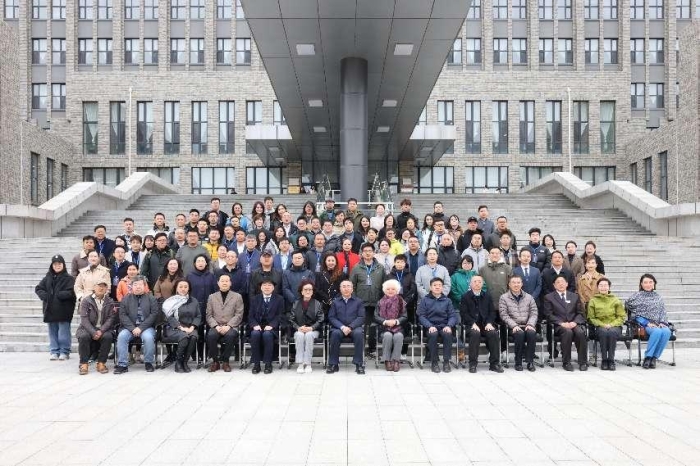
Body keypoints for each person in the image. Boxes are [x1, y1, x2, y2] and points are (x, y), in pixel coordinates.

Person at [114, 276, 160, 374]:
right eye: (135, 284)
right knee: (122, 336)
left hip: (146, 327)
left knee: (148, 337)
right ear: (131, 286)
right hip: (129, 328)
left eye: (140, 284)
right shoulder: (126, 298)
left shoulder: (151, 298)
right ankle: (122, 365)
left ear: (144, 286)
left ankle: (148, 362)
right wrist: (132, 328)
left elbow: (154, 315)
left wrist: (141, 328)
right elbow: (122, 315)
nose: (138, 287)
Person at [626, 273, 672, 369]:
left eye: (650, 282)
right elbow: (633, 313)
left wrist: (662, 322)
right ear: (641, 284)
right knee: (657, 331)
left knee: (667, 331)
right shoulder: (636, 296)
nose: (648, 284)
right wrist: (646, 322)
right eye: (645, 282)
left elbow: (662, 312)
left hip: (658, 323)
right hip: (642, 325)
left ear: (654, 283)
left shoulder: (658, 297)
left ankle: (654, 358)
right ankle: (648, 357)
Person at [36, 255, 77, 361]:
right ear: (52, 265)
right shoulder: (47, 278)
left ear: (63, 265)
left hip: (64, 310)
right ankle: (54, 351)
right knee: (52, 332)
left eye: (59, 264)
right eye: (55, 264)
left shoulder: (69, 279)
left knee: (63, 333)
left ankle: (64, 351)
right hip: (50, 310)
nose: (57, 266)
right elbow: (38, 288)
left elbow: (72, 292)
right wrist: (45, 296)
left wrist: (59, 295)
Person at [349, 243, 385, 358]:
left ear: (374, 253)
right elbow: (352, 285)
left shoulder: (380, 268)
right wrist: (355, 300)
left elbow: (384, 285)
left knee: (374, 326)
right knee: (362, 327)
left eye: (370, 251)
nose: (368, 253)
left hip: (376, 302)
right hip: (361, 303)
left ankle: (372, 349)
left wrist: (382, 301)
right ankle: (361, 349)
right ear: (361, 253)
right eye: (365, 251)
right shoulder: (356, 267)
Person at [543, 276, 587, 371]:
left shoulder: (574, 296)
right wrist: (561, 323)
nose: (561, 284)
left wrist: (575, 322)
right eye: (558, 282)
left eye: (563, 282)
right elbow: (548, 314)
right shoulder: (549, 297)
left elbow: (580, 313)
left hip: (573, 323)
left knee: (580, 332)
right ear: (554, 285)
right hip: (559, 326)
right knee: (567, 332)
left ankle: (582, 362)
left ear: (567, 284)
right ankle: (566, 362)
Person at [461, 275, 503, 373]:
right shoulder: (465, 297)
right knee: (475, 334)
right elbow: (464, 313)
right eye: (475, 281)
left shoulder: (487, 296)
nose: (477, 283)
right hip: (471, 325)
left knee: (493, 333)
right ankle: (473, 364)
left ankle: (494, 364)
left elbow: (492, 312)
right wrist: (472, 323)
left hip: (485, 325)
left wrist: (489, 323)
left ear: (482, 283)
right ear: (471, 284)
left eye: (479, 282)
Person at [75, 279, 116, 374]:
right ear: (94, 287)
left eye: (104, 286)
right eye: (99, 286)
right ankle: (84, 363)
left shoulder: (110, 301)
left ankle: (101, 363)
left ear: (106, 288)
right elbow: (84, 319)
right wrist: (93, 332)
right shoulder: (86, 300)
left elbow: (111, 318)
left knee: (107, 336)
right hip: (87, 328)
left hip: (103, 329)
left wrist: (101, 331)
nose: (101, 288)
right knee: (84, 336)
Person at [499, 275, 538, 372]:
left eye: (518, 282)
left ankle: (530, 362)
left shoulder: (529, 297)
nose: (516, 285)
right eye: (513, 283)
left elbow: (534, 313)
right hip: (512, 327)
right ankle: (518, 362)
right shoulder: (504, 298)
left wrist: (530, 324)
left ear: (522, 284)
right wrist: (514, 325)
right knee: (519, 334)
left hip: (527, 325)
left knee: (531, 333)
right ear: (509, 284)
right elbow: (504, 315)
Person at [417, 277, 457, 373]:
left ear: (442, 287)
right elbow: (421, 316)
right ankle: (434, 362)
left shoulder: (447, 300)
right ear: (430, 287)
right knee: (433, 334)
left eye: (439, 285)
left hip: (444, 326)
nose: (437, 287)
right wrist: (429, 326)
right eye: (435, 285)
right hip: (430, 326)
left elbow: (452, 315)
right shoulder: (425, 300)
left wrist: (449, 325)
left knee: (448, 334)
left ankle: (446, 362)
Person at [206, 274, 244, 372]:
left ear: (230, 283)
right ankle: (215, 362)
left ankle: (226, 361)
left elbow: (239, 314)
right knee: (211, 335)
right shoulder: (212, 297)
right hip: (216, 326)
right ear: (218, 283)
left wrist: (229, 326)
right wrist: (216, 326)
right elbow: (209, 315)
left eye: (227, 281)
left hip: (231, 326)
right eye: (222, 281)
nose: (224, 283)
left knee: (230, 336)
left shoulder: (237, 296)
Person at [326, 280, 366, 374]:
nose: (346, 288)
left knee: (359, 334)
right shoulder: (335, 302)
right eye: (343, 286)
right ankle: (333, 364)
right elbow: (331, 317)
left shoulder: (358, 302)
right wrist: (342, 327)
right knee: (335, 334)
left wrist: (351, 327)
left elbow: (361, 317)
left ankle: (359, 364)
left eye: (348, 286)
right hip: (339, 328)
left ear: (352, 289)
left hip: (354, 328)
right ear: (340, 289)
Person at [161, 279, 200, 373]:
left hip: (190, 327)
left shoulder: (193, 301)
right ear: (176, 288)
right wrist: (180, 327)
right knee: (184, 337)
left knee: (193, 336)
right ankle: (178, 362)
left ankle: (185, 362)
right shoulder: (171, 301)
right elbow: (169, 317)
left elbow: (198, 316)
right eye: (181, 287)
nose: (183, 289)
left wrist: (192, 327)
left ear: (189, 288)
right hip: (174, 328)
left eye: (185, 287)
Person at [587, 277, 625, 371]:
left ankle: (611, 360)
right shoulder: (593, 301)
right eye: (601, 285)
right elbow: (591, 318)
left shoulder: (615, 300)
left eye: (605, 285)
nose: (603, 287)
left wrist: (611, 324)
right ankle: (604, 360)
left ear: (609, 287)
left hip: (614, 326)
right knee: (603, 332)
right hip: (600, 326)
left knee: (612, 332)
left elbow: (621, 317)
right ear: (597, 287)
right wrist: (602, 324)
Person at [288, 280, 324, 373]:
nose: (308, 291)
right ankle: (300, 363)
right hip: (299, 329)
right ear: (302, 292)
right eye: (305, 289)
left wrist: (311, 328)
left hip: (313, 330)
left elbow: (321, 319)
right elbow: (291, 319)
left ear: (312, 292)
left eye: (310, 290)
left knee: (309, 335)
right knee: (299, 335)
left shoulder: (317, 304)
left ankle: (308, 363)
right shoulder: (296, 303)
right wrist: (298, 328)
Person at [248, 279, 283, 374]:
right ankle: (256, 364)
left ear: (273, 288)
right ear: (261, 287)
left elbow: (280, 315)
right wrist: (254, 325)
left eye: (269, 285)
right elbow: (250, 316)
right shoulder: (255, 299)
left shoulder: (279, 299)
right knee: (255, 334)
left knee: (267, 335)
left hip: (272, 328)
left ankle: (268, 363)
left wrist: (272, 325)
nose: (267, 287)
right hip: (258, 326)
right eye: (264, 285)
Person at [375, 279, 407, 372]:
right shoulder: (380, 302)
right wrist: (385, 322)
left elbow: (404, 316)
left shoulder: (401, 301)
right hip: (384, 328)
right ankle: (387, 360)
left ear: (397, 290)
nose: (390, 291)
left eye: (393, 289)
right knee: (387, 335)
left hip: (398, 328)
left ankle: (395, 360)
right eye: (388, 289)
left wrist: (396, 321)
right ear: (385, 290)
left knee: (398, 336)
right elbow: (375, 316)